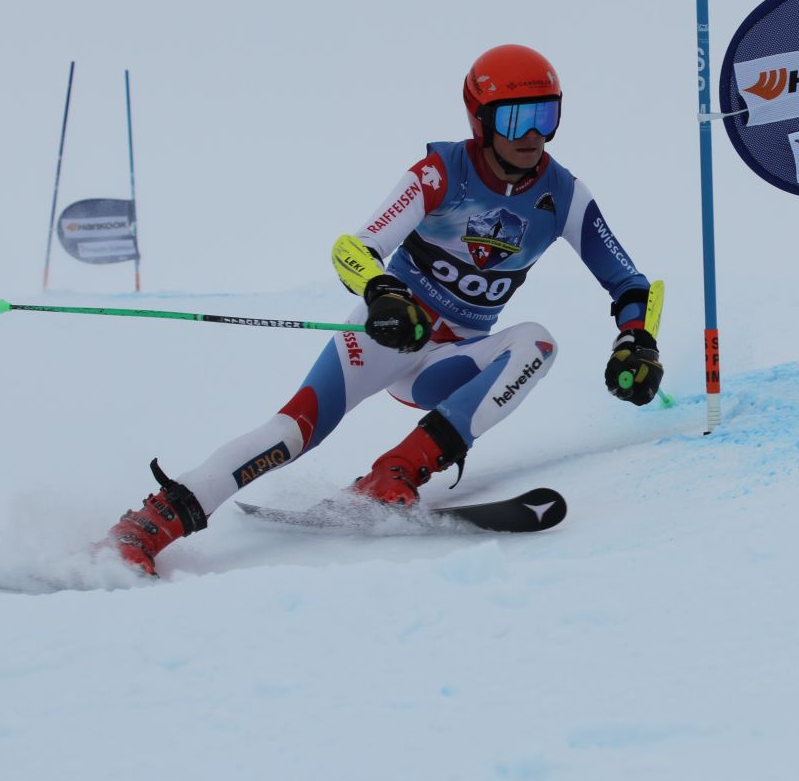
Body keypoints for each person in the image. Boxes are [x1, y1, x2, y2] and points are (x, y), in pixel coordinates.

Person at [101, 44, 664, 576]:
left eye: (546, 115)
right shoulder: (441, 173)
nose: (534, 134)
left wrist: (637, 339)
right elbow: (354, 248)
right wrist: (382, 293)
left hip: (450, 361)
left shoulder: (563, 195)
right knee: (294, 432)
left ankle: (394, 473)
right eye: (516, 120)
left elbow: (629, 282)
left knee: (537, 343)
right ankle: (146, 527)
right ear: (480, 120)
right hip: (391, 334)